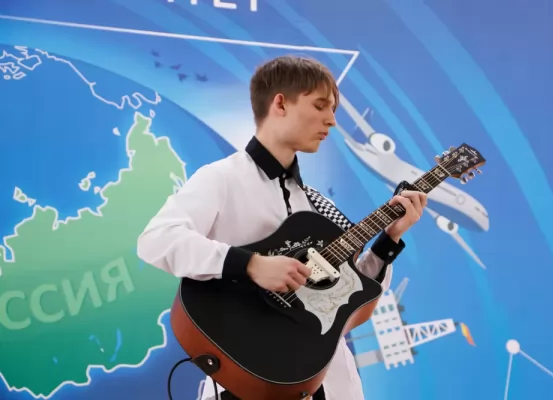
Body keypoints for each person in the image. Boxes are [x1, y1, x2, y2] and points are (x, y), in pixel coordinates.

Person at [137, 55, 427, 400]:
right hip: (248, 378)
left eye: (333, 109)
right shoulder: (222, 178)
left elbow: (348, 292)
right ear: (280, 103)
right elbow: (157, 239)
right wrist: (251, 264)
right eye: (320, 105)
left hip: (324, 379)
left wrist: (389, 239)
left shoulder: (316, 202)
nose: (332, 120)